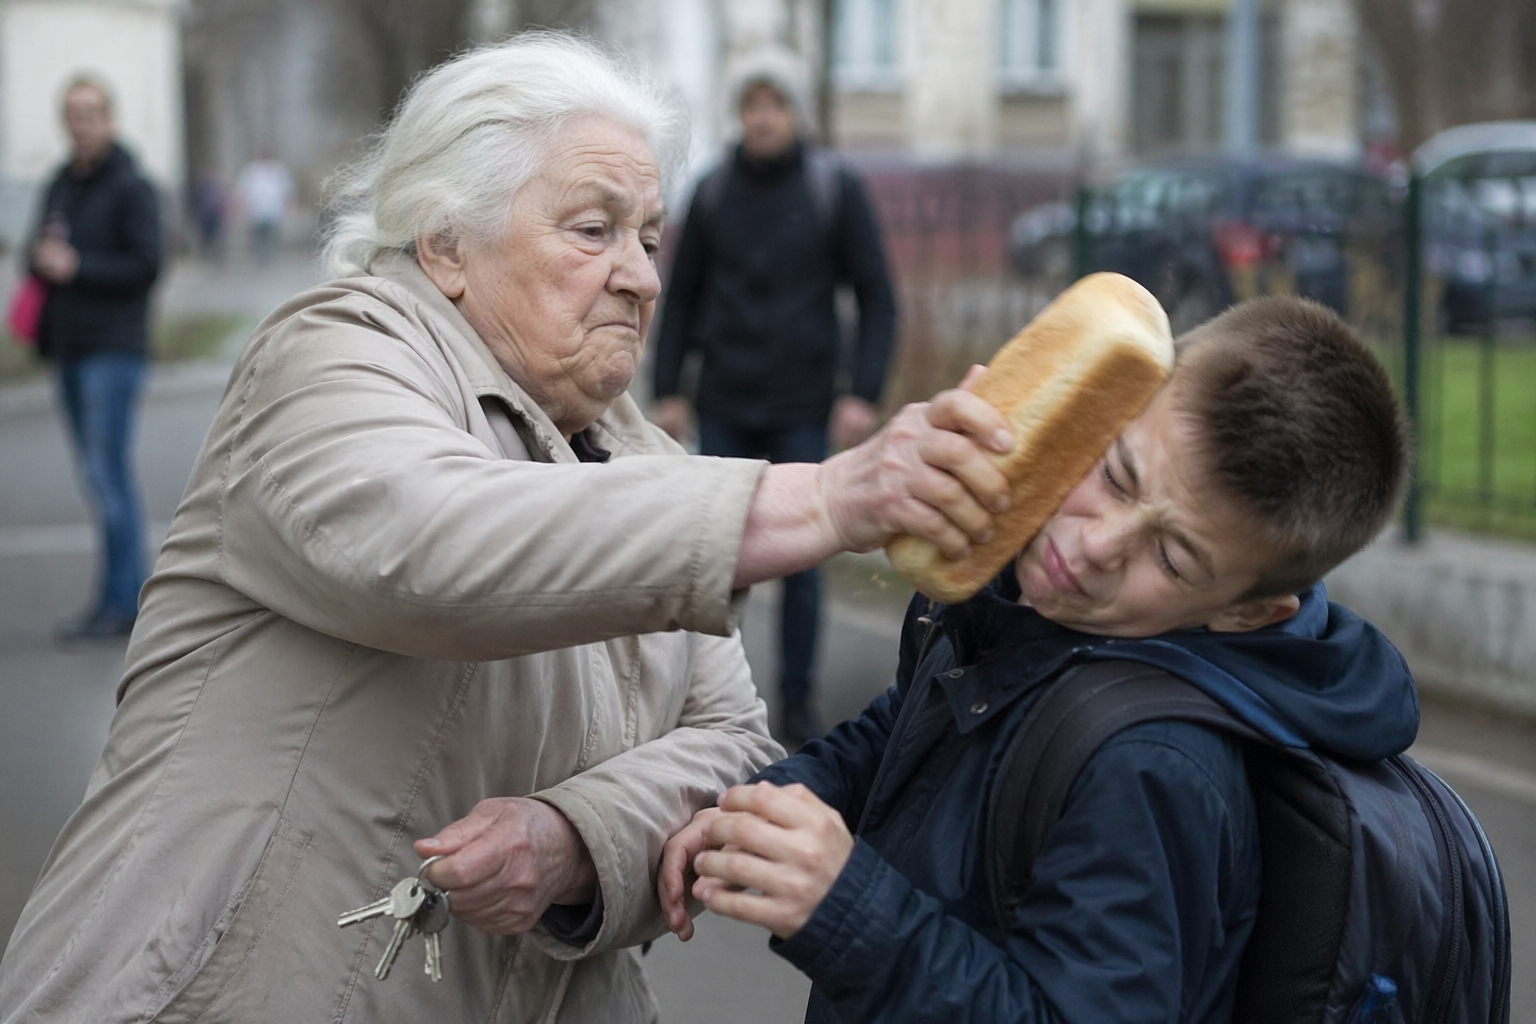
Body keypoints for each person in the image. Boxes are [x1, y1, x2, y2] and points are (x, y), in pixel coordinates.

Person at [0, 35, 1017, 1024]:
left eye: (650, 238)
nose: (644, 277)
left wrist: (577, 837)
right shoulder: (327, 357)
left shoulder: (646, 466)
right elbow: (429, 541)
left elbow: (731, 740)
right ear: (446, 243)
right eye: (593, 230)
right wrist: (829, 501)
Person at [659, 297, 1416, 1023]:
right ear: (1113, 399)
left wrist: (847, 906)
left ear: (1247, 611)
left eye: (1174, 559)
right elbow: (906, 736)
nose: (1094, 547)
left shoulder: (1156, 768)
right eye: (1117, 475)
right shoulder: (1017, 598)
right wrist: (764, 803)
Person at [651, 47, 898, 747]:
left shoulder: (832, 189)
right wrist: (669, 389)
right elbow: (683, 296)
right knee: (709, 562)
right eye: (753, 105)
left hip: (802, 407)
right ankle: (703, 701)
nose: (763, 118)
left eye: (776, 105)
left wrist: (864, 392)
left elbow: (877, 295)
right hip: (724, 399)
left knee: (802, 564)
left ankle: (794, 703)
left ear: (796, 112)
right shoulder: (714, 192)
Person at [25, 75, 162, 643]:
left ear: (109, 118)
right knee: (97, 477)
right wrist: (41, 261)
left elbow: (147, 266)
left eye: (90, 113)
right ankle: (117, 598)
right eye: (72, 114)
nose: (80, 124)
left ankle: (127, 603)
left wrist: (77, 266)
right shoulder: (58, 183)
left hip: (115, 349)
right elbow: (34, 256)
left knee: (108, 477)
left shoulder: (132, 186)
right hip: (69, 350)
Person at [234, 152, 294, 263]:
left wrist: (288, 207)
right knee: (257, 235)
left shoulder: (279, 170)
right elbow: (242, 191)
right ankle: (259, 257)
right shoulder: (250, 170)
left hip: (273, 211)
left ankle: (270, 256)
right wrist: (240, 208)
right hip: (255, 210)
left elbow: (288, 190)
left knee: (271, 235)